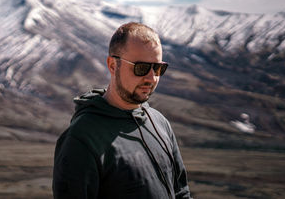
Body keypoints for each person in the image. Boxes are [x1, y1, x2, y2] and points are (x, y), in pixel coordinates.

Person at [52, 22, 192, 199]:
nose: (152, 78)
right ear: (112, 65)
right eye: (141, 68)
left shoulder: (159, 122)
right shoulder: (82, 138)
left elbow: (181, 192)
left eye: (158, 68)